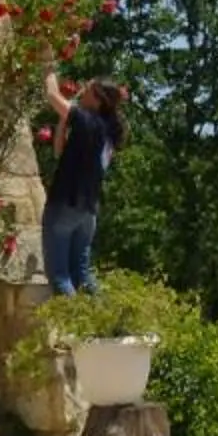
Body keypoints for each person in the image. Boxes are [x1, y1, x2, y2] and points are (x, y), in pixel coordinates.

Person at [40, 72, 126, 296]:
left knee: (59, 275)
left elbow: (51, 94)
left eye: (87, 89)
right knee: (81, 274)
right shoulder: (108, 129)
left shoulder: (87, 120)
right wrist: (64, 118)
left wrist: (48, 66)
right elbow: (60, 150)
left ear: (97, 99)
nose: (81, 90)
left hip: (65, 204)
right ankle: (101, 321)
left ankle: (74, 325)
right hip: (87, 212)